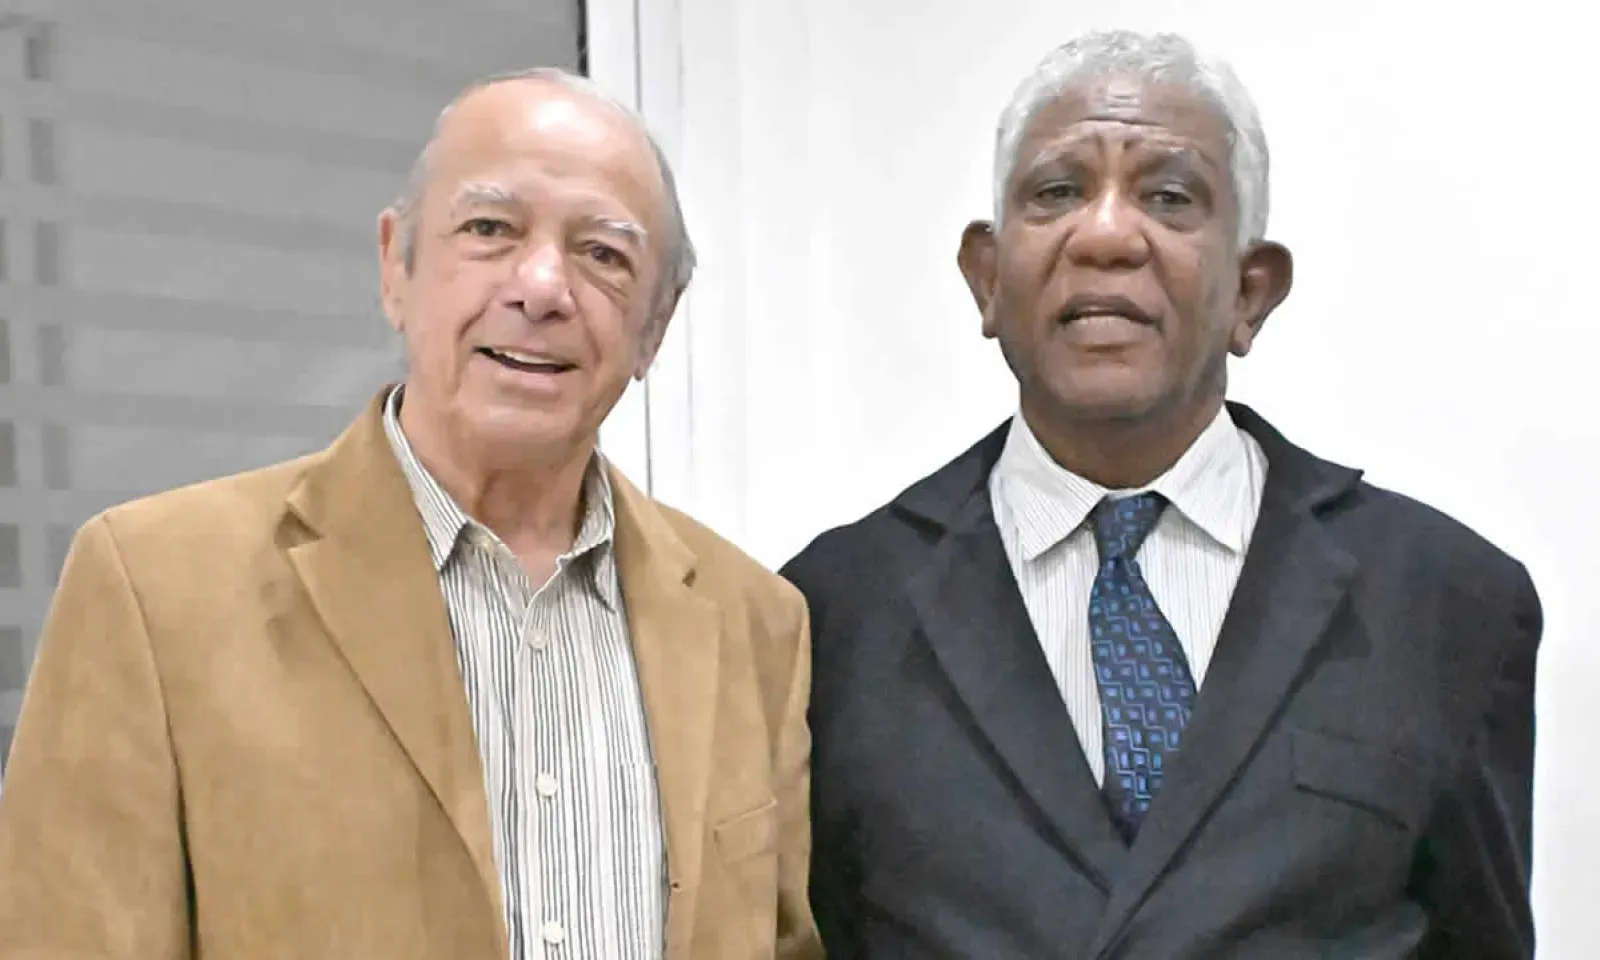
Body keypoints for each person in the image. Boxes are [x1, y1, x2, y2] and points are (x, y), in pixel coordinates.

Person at [0, 68, 821, 960]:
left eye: (603, 256)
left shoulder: (754, 623)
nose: (542, 287)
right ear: (396, 267)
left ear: (654, 329)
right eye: (490, 229)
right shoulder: (156, 590)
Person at [783, 30, 1541, 959]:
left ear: (1251, 293)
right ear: (987, 278)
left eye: (1170, 197)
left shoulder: (1446, 603)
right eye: (1057, 193)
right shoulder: (829, 614)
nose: (1105, 235)